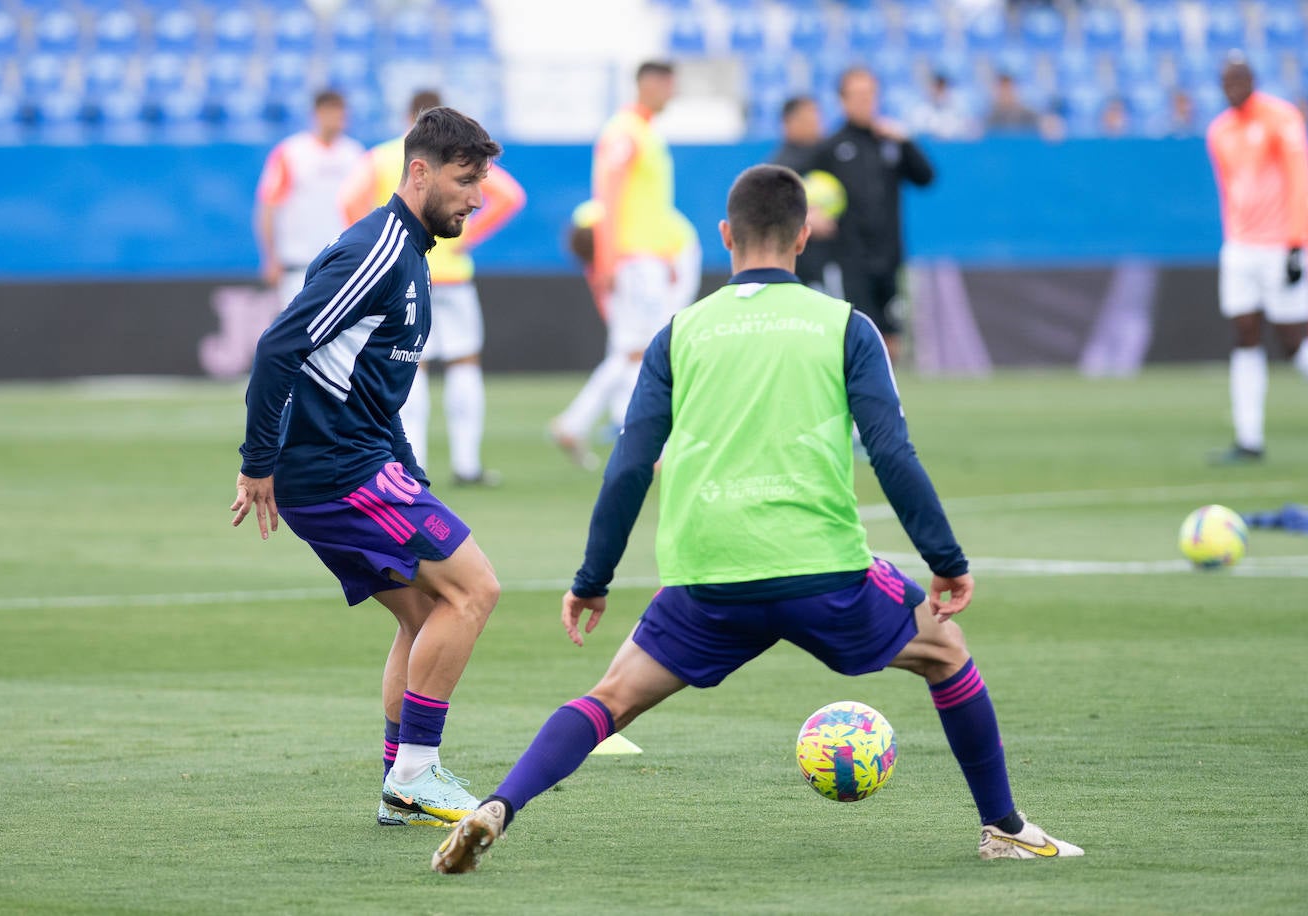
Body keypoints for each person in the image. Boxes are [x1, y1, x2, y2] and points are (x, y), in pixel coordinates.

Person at [431, 164, 1083, 874]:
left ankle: (499, 805)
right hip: (825, 571)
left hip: (708, 575)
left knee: (610, 698)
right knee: (947, 654)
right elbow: (891, 453)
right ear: (803, 235)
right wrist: (947, 560)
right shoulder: (845, 327)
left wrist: (593, 580)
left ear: (724, 236)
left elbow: (626, 468)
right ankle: (1004, 826)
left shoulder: (679, 333)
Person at [232, 106, 504, 829]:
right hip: (333, 469)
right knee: (475, 590)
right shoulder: (380, 250)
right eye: (466, 179)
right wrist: (257, 463)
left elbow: (374, 391)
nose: (477, 197)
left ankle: (400, 786)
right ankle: (416, 771)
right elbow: (277, 347)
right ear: (419, 172)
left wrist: (411, 472)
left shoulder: (411, 256)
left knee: (423, 615)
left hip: (356, 463)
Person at [340, 90, 526, 487]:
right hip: (452, 274)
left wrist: (377, 243)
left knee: (410, 364)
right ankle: (467, 464)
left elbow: (349, 200)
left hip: (402, 273)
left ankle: (412, 465)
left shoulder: (382, 157)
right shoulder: (460, 158)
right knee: (463, 363)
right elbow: (510, 196)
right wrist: (467, 236)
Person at [550, 60, 684, 468]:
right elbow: (608, 195)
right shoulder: (626, 132)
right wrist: (607, 259)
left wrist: (666, 252)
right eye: (668, 84)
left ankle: (578, 424)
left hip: (647, 255)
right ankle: (640, 441)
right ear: (651, 84)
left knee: (635, 349)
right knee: (644, 350)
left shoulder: (643, 132)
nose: (672, 93)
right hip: (634, 258)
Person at [1205, 55, 1308, 462]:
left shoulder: (1282, 120)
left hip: (1281, 244)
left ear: (1253, 80)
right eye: (1227, 81)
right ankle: (1249, 439)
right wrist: (1231, 239)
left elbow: (1301, 180)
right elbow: (1229, 191)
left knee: (1293, 341)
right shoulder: (1219, 131)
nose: (1234, 87)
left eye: (1240, 79)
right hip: (1241, 247)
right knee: (1244, 334)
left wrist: (1298, 244)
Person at [807, 66, 934, 361]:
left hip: (889, 257)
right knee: (859, 338)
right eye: (858, 95)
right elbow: (797, 186)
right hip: (849, 259)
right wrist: (809, 213)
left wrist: (905, 141)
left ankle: (889, 403)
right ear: (843, 99)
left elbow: (926, 177)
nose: (866, 101)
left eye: (870, 94)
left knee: (892, 340)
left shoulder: (889, 141)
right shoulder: (830, 147)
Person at [255, 89, 365, 311]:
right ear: (318, 113)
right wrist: (270, 256)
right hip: (299, 264)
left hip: (341, 263)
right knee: (299, 335)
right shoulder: (291, 153)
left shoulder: (354, 154)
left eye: (342, 112)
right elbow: (268, 206)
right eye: (333, 111)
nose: (339, 118)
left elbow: (365, 208)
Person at [768, 95, 838, 293]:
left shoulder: (828, 156)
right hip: (797, 263)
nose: (816, 124)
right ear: (789, 122)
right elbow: (766, 210)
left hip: (830, 259)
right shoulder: (779, 166)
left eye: (817, 117)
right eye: (808, 119)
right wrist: (803, 218)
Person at [908, 71, 981, 141]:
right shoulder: (921, 111)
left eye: (943, 88)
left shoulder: (956, 109)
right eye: (937, 88)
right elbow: (917, 133)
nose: (940, 92)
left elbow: (967, 129)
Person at [983, 71, 1041, 136]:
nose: (1005, 94)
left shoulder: (1028, 115)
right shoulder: (990, 117)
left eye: (1007, 90)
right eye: (1002, 91)